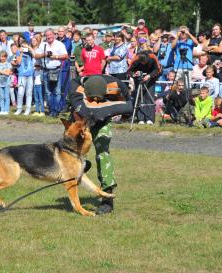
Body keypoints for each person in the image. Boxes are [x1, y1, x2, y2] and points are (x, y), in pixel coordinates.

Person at [68, 75, 132, 214]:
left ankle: (107, 199)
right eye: (92, 98)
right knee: (70, 152)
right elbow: (83, 110)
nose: (96, 101)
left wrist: (119, 113)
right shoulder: (75, 88)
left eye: (99, 98)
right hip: (80, 119)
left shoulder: (117, 85)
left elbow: (128, 104)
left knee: (103, 152)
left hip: (103, 119)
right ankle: (81, 167)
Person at [34, 28, 68, 117]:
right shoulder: (42, 44)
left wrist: (55, 56)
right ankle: (51, 110)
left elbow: (66, 55)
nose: (49, 36)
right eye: (47, 35)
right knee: (48, 92)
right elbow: (36, 55)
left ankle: (56, 111)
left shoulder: (59, 44)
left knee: (57, 91)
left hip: (56, 70)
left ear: (54, 35)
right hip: (45, 70)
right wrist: (44, 54)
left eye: (50, 35)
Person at [128, 50, 161, 124]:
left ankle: (150, 119)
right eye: (141, 62)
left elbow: (158, 69)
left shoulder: (153, 57)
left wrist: (149, 75)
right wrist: (134, 74)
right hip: (138, 79)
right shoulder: (135, 59)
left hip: (151, 78)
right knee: (139, 98)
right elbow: (129, 71)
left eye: (144, 62)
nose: (143, 64)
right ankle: (141, 119)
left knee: (149, 97)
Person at [0, 51, 12, 115]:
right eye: (1, 57)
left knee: (6, 97)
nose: (2, 58)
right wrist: (3, 71)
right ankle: (2, 110)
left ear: (6, 57)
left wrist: (0, 71)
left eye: (4, 57)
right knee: (1, 97)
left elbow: (8, 73)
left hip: (7, 83)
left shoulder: (8, 64)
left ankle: (6, 110)